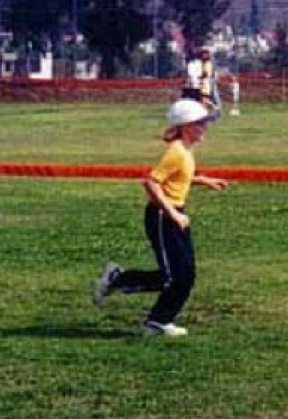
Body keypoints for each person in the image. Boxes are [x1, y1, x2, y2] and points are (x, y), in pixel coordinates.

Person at [93, 98, 229, 336]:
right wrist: (172, 213)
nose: (204, 128)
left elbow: (177, 178)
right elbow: (151, 182)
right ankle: (135, 299)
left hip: (175, 215)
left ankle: (155, 317)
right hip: (162, 217)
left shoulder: (185, 150)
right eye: (200, 124)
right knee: (174, 277)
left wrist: (204, 180)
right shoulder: (176, 152)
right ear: (185, 126)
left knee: (185, 275)